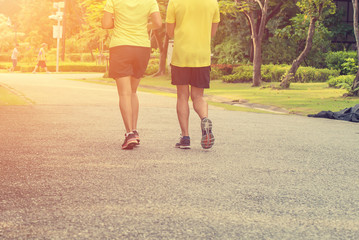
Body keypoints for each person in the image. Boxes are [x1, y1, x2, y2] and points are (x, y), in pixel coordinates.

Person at [102, 0, 162, 150]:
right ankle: (134, 131)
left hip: (121, 47)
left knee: (124, 94)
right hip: (141, 47)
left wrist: (121, 23)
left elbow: (106, 24)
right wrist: (143, 26)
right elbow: (158, 23)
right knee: (133, 92)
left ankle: (129, 134)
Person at [166, 0, 220, 149]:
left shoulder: (175, 2)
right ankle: (205, 119)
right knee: (198, 97)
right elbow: (212, 32)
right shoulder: (212, 2)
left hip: (181, 56)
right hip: (201, 57)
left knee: (182, 96)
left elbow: (170, 32)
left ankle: (185, 137)